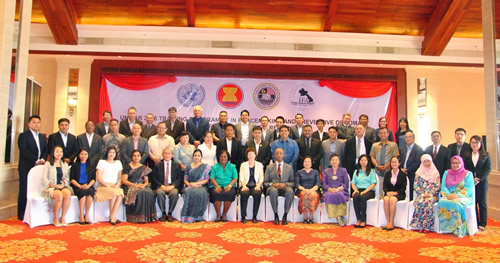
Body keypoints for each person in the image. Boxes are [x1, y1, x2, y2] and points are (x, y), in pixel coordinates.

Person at [18, 115, 48, 220]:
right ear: (29, 124)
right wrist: (36, 161)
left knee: (36, 189)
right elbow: (24, 150)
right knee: (24, 189)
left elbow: (45, 150)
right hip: (26, 167)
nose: (36, 124)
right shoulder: (23, 136)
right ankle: (22, 213)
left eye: (38, 122)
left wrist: (43, 160)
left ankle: (34, 212)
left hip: (39, 167)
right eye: (34, 122)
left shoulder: (42, 136)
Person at [437, 156, 474, 237]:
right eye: (453, 163)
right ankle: (446, 229)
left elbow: (468, 189)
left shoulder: (468, 174)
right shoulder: (447, 173)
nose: (455, 165)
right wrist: (448, 195)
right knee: (441, 201)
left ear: (462, 163)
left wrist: (457, 196)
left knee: (456, 203)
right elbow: (443, 186)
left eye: (458, 163)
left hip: (464, 197)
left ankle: (458, 229)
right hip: (449, 195)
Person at [121, 150, 156, 223]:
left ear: (140, 157)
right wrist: (136, 185)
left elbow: (146, 181)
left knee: (149, 192)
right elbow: (124, 180)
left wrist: (143, 185)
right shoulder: (127, 167)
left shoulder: (144, 168)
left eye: (138, 156)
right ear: (132, 157)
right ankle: (135, 217)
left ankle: (147, 217)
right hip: (130, 186)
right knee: (141, 192)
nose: (136, 157)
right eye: (134, 156)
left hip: (141, 186)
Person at [41, 145, 71, 227]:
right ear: (53, 153)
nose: (59, 153)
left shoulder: (64, 164)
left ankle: (63, 217)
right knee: (59, 195)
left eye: (61, 152)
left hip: (61, 186)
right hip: (51, 187)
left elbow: (67, 177)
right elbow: (44, 178)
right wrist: (53, 185)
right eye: (57, 151)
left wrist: (63, 184)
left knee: (67, 194)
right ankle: (55, 218)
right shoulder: (48, 164)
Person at [410, 154, 441, 232]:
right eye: (425, 162)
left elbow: (437, 186)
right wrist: (423, 194)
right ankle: (419, 225)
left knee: (427, 203)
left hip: (432, 195)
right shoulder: (419, 173)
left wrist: (430, 194)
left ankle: (428, 226)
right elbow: (416, 186)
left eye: (428, 161)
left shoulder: (435, 172)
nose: (427, 163)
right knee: (420, 202)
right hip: (422, 194)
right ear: (422, 162)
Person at [264, 148, 295, 225]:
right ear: (274, 155)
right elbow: (265, 182)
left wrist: (285, 184)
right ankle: (276, 215)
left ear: (283, 155)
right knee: (273, 191)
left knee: (290, 191)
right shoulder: (269, 167)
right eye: (277, 153)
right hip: (273, 187)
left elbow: (293, 182)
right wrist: (273, 184)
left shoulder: (289, 167)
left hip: (285, 187)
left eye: (281, 153)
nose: (279, 155)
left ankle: (285, 215)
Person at [152, 148, 184, 222]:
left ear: (172, 155)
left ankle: (170, 213)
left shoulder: (177, 165)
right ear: (162, 155)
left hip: (172, 185)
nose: (167, 155)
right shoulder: (157, 165)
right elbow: (154, 178)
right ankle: (163, 213)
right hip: (161, 185)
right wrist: (161, 186)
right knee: (159, 193)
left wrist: (172, 186)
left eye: (169, 153)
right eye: (165, 153)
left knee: (174, 193)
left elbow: (179, 178)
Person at [95, 146, 124, 225]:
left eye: (113, 152)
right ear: (107, 153)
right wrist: (106, 185)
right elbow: (99, 178)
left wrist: (117, 184)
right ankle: (112, 217)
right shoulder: (101, 162)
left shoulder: (118, 163)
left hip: (114, 186)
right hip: (103, 186)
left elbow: (120, 177)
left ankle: (112, 215)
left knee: (120, 193)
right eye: (110, 152)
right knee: (114, 193)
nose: (111, 154)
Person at [468, 135, 491, 231]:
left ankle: (483, 223)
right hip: (470, 182)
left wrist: (479, 179)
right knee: (473, 201)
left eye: (477, 142)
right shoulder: (467, 155)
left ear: (480, 144)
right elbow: (465, 168)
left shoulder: (485, 155)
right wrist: (471, 179)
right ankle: (475, 221)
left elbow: (488, 168)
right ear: (470, 144)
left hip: (482, 182)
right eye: (473, 142)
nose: (475, 144)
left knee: (482, 202)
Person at [181, 149, 211, 223]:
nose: (197, 157)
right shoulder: (188, 167)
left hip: (201, 186)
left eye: (198, 156)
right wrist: (190, 184)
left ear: (201, 157)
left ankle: (197, 216)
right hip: (189, 186)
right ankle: (188, 216)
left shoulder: (205, 167)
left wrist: (197, 184)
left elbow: (207, 180)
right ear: (193, 157)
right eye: (195, 155)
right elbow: (185, 180)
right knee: (189, 193)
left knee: (200, 193)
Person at [209, 150, 238, 222]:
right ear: (218, 158)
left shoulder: (232, 166)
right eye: (221, 156)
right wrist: (216, 186)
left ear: (228, 158)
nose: (223, 158)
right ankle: (218, 215)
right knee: (215, 194)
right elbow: (212, 178)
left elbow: (235, 178)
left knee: (229, 194)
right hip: (216, 185)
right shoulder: (214, 167)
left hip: (229, 185)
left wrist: (230, 186)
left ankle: (224, 214)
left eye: (225, 156)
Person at [322, 154, 349, 226]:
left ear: (339, 161)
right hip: (329, 190)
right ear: (330, 161)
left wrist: (339, 188)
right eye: (333, 160)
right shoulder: (326, 171)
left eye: (336, 160)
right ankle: (336, 216)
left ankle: (339, 215)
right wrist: (330, 189)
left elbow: (346, 183)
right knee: (330, 195)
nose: (334, 161)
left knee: (339, 194)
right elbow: (324, 184)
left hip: (340, 189)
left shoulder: (343, 170)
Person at [70, 149, 95, 224]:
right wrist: (80, 186)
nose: (83, 156)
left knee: (90, 192)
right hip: (77, 186)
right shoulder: (75, 165)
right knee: (83, 192)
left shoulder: (91, 165)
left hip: (88, 185)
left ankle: (86, 215)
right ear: (79, 155)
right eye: (82, 154)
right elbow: (72, 179)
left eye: (85, 154)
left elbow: (93, 179)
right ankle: (81, 215)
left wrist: (88, 185)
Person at [370, 127, 399, 194]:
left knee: (388, 192)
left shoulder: (393, 145)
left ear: (388, 134)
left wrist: (387, 166)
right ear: (378, 135)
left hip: (390, 172)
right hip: (377, 172)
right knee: (378, 193)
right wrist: (377, 165)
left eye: (384, 133)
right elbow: (372, 157)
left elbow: (395, 157)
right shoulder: (374, 145)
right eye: (381, 133)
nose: (383, 135)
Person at [351, 154, 377, 228]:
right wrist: (355, 190)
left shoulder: (372, 171)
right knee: (355, 197)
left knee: (362, 197)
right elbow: (353, 183)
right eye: (361, 160)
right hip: (359, 190)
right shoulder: (356, 171)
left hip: (369, 190)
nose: (363, 162)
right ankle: (358, 218)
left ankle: (363, 219)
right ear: (359, 162)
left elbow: (373, 184)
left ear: (368, 161)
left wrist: (364, 191)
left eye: (365, 160)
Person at [381, 157, 407, 230]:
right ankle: (388, 222)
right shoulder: (387, 173)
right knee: (386, 199)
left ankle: (392, 222)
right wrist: (387, 192)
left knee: (392, 200)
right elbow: (384, 186)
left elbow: (403, 188)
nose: (394, 164)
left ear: (399, 163)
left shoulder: (403, 174)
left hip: (399, 194)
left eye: (395, 162)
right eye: (392, 162)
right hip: (389, 193)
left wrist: (396, 193)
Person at [239, 148, 264, 224]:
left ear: (255, 155)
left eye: (252, 154)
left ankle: (254, 216)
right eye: (249, 154)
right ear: (247, 156)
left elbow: (261, 177)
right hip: (245, 185)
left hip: (256, 185)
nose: (250, 156)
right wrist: (243, 186)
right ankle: (243, 216)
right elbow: (241, 177)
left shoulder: (259, 165)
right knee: (244, 194)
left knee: (257, 193)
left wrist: (258, 185)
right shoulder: (243, 165)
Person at [295, 157, 321, 224]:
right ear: (303, 163)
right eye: (305, 162)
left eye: (309, 162)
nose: (307, 163)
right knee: (304, 194)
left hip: (313, 190)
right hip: (302, 190)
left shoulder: (315, 172)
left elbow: (318, 184)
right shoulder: (299, 172)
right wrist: (304, 189)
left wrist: (311, 190)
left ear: (311, 164)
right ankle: (305, 217)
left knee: (313, 195)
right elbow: (297, 184)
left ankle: (311, 216)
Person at [399, 131, 423, 200]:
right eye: (406, 137)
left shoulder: (419, 149)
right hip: (402, 174)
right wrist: (401, 169)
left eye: (410, 137)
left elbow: (418, 162)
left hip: (413, 174)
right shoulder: (402, 149)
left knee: (411, 193)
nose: (408, 139)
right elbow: (399, 160)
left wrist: (407, 170)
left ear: (414, 138)